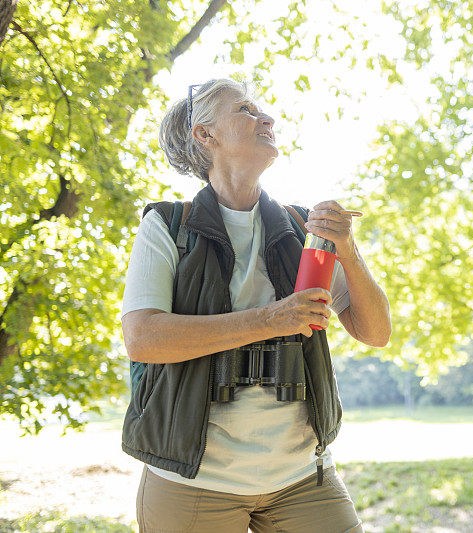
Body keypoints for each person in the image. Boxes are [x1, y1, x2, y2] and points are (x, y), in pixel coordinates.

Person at [119, 78, 391, 532]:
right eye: (245, 110)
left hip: (303, 478)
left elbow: (376, 333)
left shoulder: (300, 227)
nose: (266, 119)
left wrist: (349, 249)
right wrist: (271, 318)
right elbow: (143, 339)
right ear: (205, 135)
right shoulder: (167, 227)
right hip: (191, 481)